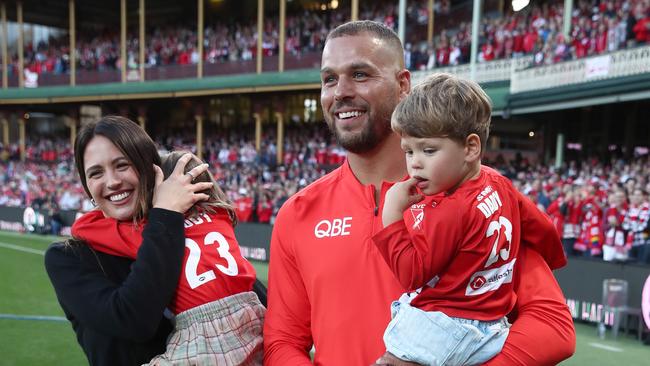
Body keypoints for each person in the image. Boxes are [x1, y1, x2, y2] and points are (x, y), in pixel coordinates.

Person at [263, 20, 575, 365]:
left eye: (360, 75)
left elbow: (553, 324)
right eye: (329, 79)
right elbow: (283, 342)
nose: (341, 92)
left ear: (403, 85)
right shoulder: (298, 214)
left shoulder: (480, 194)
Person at [372, 73, 562, 365]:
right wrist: (553, 260)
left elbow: (412, 275)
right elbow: (543, 228)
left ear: (471, 148)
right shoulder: (499, 182)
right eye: (409, 151)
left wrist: (392, 217)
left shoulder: (450, 209)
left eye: (429, 150)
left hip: (445, 327)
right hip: (492, 327)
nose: (415, 162)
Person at [45, 116, 216, 366]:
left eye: (122, 165)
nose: (112, 182)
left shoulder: (187, 228)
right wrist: (166, 213)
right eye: (95, 173)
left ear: (148, 166)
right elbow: (134, 320)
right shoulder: (68, 257)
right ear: (87, 187)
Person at [71, 150, 265, 365]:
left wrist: (161, 207)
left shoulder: (151, 232)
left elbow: (83, 227)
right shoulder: (220, 214)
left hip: (203, 329)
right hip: (253, 314)